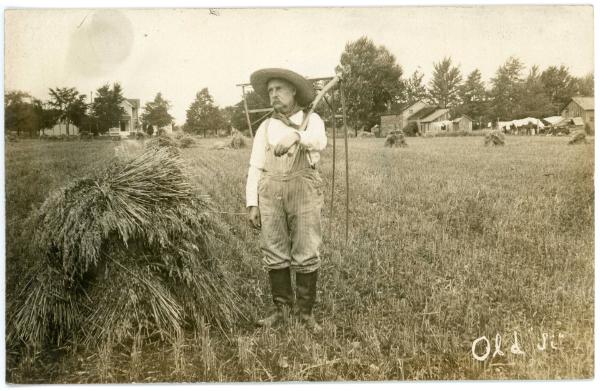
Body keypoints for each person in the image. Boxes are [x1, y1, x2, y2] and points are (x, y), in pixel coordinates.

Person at [245, 68, 327, 332]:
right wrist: (252, 202)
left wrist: (296, 136)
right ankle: (281, 309)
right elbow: (255, 166)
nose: (274, 95)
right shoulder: (265, 127)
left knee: (306, 248)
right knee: (274, 248)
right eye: (270, 91)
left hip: (303, 191)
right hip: (270, 194)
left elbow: (319, 141)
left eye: (279, 89)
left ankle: (305, 313)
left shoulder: (312, 120)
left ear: (293, 90)